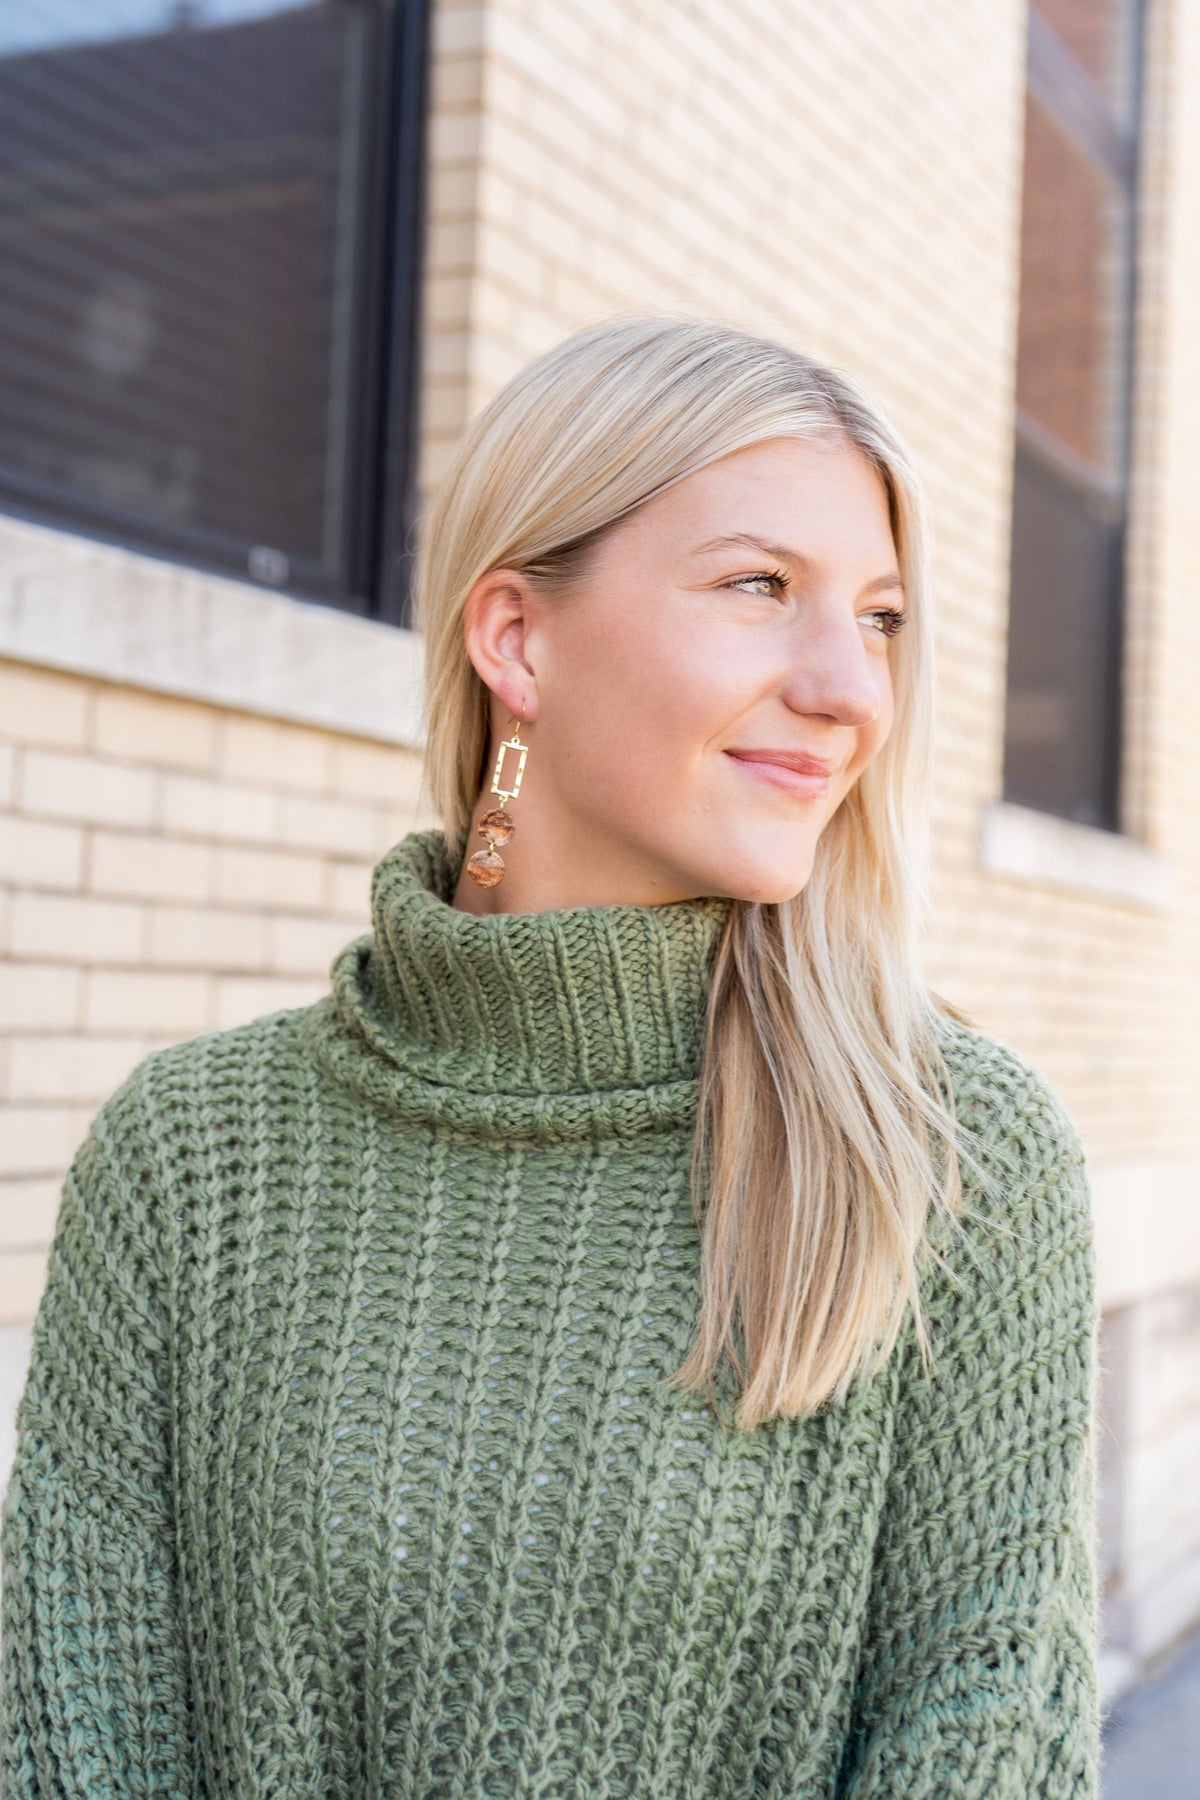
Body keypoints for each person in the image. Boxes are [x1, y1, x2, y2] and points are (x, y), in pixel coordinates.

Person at [0, 313, 1102, 1798]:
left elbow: (987, 1745)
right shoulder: (195, 1161)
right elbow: (75, 1745)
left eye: (883, 617)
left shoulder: (955, 1160)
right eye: (761, 586)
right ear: (516, 635)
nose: (852, 690)